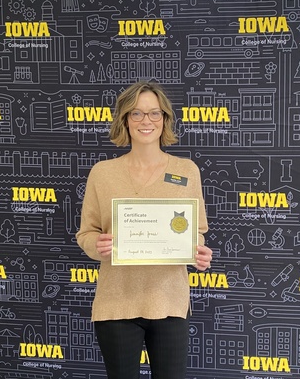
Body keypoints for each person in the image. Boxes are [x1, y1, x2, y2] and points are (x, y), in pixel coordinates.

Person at [76, 81, 212, 379]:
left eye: (154, 113)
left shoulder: (186, 170)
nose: (145, 121)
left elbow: (197, 230)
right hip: (116, 302)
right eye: (136, 113)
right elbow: (86, 233)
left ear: (165, 119)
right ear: (125, 120)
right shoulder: (102, 172)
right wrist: (95, 244)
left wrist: (197, 251)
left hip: (169, 300)